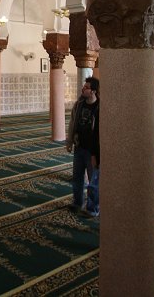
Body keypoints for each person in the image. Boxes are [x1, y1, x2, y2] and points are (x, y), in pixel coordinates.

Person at [66, 76, 100, 216]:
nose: (83, 89)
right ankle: (77, 202)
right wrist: (69, 141)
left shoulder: (100, 107)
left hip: (92, 151)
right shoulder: (79, 104)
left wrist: (96, 154)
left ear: (93, 91)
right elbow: (73, 123)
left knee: (93, 181)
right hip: (79, 148)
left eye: (86, 87)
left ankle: (92, 208)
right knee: (77, 177)